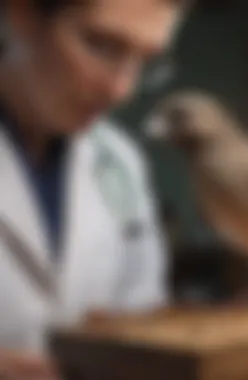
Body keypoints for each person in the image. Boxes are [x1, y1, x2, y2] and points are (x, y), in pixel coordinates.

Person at [0, 0, 189, 378]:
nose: (121, 90)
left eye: (146, 62)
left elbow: (140, 313)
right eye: (101, 46)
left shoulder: (119, 162)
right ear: (18, 13)